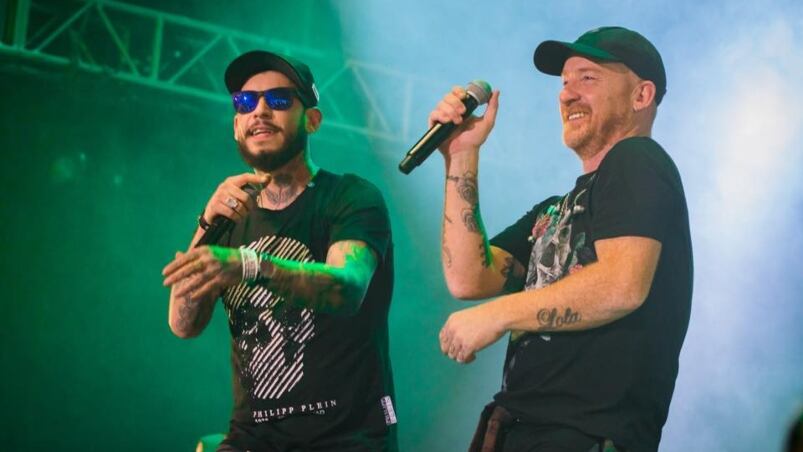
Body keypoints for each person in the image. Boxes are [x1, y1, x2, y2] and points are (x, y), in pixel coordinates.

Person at [431, 27, 693, 451]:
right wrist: (462, 154)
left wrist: (499, 314)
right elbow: (467, 277)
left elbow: (621, 285)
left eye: (587, 78)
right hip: (520, 430)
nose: (567, 94)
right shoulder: (555, 209)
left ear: (641, 96)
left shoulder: (640, 161)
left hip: (581, 435)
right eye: (565, 82)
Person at [162, 50, 397, 452]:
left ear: (312, 120)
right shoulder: (227, 217)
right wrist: (206, 225)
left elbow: (347, 288)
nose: (260, 111)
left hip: (346, 439)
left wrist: (250, 265)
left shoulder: (351, 197)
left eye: (279, 100)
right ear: (236, 126)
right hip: (251, 441)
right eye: (245, 102)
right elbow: (184, 324)